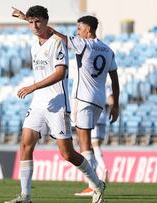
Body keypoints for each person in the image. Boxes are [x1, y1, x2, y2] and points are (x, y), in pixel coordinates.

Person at [7, 5, 105, 203]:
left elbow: (60, 73)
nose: (34, 26)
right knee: (25, 144)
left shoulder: (57, 42)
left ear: (46, 21)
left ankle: (97, 184)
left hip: (58, 103)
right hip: (38, 104)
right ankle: (25, 196)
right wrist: (24, 17)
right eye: (31, 22)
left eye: (38, 22)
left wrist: (33, 86)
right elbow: (33, 23)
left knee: (67, 153)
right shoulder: (35, 43)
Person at [47, 16, 120, 196]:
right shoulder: (108, 50)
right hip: (99, 101)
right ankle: (93, 182)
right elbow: (115, 80)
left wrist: (30, 20)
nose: (77, 32)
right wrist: (116, 104)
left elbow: (57, 36)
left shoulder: (83, 44)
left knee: (84, 143)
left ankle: (92, 184)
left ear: (88, 30)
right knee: (85, 141)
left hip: (83, 99)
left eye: (79, 29)